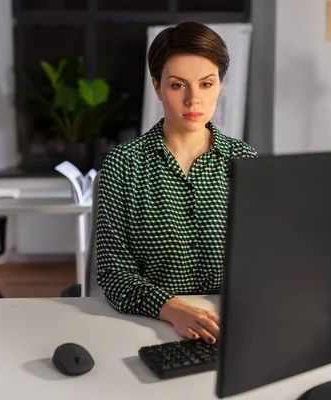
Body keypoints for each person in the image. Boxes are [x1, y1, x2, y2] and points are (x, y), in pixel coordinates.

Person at [95, 21, 257, 344]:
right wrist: (171, 309)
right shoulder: (123, 166)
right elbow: (114, 274)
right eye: (178, 85)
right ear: (156, 86)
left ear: (221, 84)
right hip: (147, 328)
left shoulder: (244, 161)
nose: (193, 100)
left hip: (230, 330)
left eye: (206, 84)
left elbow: (261, 258)